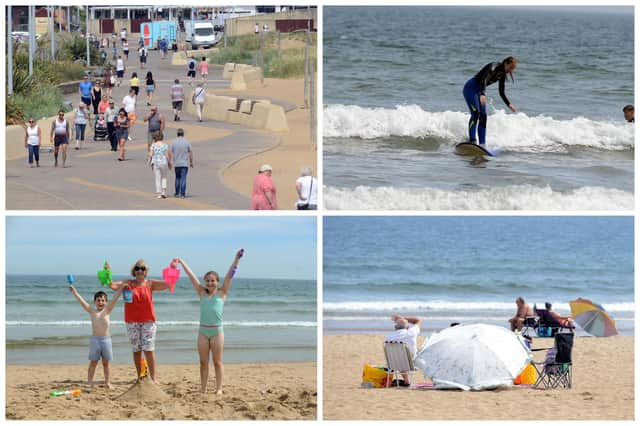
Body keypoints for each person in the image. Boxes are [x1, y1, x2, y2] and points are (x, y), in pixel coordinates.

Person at [174, 249, 243, 394]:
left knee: (217, 362)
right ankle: (203, 388)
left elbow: (230, 275)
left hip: (217, 331)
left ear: (217, 282)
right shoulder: (201, 292)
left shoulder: (222, 292)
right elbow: (191, 276)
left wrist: (237, 259)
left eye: (213, 280)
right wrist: (182, 263)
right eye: (207, 280)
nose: (210, 283)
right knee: (203, 362)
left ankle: (219, 388)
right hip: (203, 332)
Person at [108, 260, 171, 384]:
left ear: (146, 271)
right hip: (132, 321)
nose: (140, 271)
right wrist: (108, 271)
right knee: (137, 350)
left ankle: (153, 378)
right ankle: (140, 377)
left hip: (148, 321)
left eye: (142, 268)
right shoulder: (128, 283)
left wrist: (172, 268)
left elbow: (168, 284)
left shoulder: (150, 284)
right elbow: (111, 285)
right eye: (137, 268)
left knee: (148, 349)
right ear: (134, 271)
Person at [68, 285, 123, 388]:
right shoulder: (92, 311)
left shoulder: (107, 311)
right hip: (95, 341)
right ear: (95, 302)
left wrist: (121, 289)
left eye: (103, 300)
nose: (100, 302)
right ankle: (90, 382)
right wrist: (75, 292)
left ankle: (107, 382)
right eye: (98, 300)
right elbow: (82, 302)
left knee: (106, 363)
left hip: (106, 340)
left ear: (106, 302)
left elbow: (115, 298)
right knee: (93, 362)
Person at [463, 56, 518, 147]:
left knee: (483, 116)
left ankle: (482, 144)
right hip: (471, 88)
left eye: (513, 69)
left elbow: (501, 92)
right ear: (506, 63)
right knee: (476, 113)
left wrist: (509, 104)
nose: (511, 71)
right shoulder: (493, 67)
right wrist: (483, 94)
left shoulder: (502, 74)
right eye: (511, 68)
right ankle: (472, 140)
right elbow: (484, 78)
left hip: (479, 91)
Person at [385, 314, 422, 386]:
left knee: (400, 356)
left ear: (395, 327)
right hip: (411, 364)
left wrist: (400, 320)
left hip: (393, 364)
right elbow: (418, 320)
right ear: (408, 327)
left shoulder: (389, 338)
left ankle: (407, 381)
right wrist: (403, 318)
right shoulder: (411, 333)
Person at [147, 131, 172, 198]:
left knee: (157, 178)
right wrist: (169, 163)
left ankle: (158, 193)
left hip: (156, 162)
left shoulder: (153, 145)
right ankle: (163, 192)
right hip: (164, 162)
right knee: (164, 177)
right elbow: (167, 155)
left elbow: (150, 154)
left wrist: (149, 161)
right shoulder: (165, 145)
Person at [171, 128, 193, 198]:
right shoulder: (187, 142)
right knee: (183, 178)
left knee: (177, 178)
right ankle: (182, 194)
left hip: (177, 163)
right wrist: (191, 162)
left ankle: (177, 193)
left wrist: (171, 161)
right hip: (184, 164)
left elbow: (170, 152)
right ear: (183, 134)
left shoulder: (174, 142)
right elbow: (190, 152)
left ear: (177, 134)